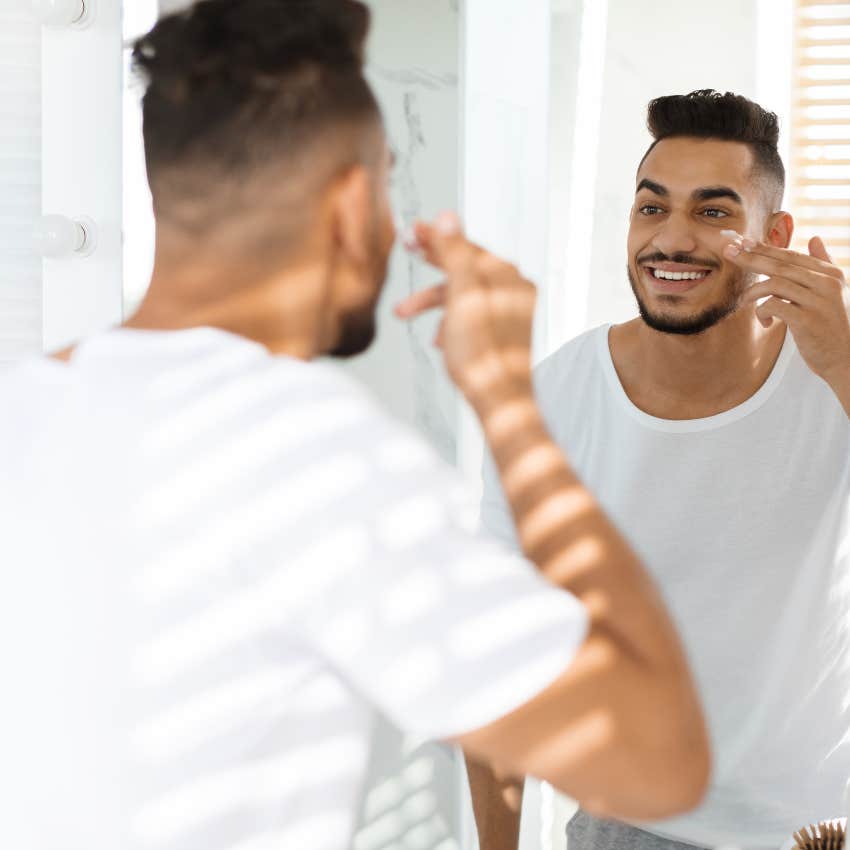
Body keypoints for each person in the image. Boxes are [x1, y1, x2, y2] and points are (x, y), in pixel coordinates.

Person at [0, 2, 709, 849]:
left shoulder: (26, 407)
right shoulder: (307, 455)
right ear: (347, 203)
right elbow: (659, 760)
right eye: (387, 179)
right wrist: (510, 404)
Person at [468, 89, 850, 850]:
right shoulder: (551, 399)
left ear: (773, 235)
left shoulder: (831, 377)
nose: (672, 240)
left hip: (812, 832)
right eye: (652, 209)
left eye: (713, 213)